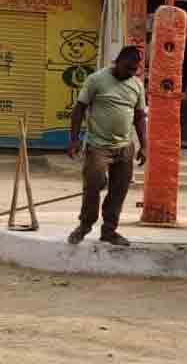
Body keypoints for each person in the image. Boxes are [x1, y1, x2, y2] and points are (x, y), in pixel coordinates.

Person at [69, 46, 147, 247]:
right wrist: (74, 139)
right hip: (98, 146)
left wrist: (144, 145)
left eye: (134, 69)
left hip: (125, 146)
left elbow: (139, 117)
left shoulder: (137, 85)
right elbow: (79, 109)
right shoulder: (96, 80)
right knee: (93, 184)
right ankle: (85, 225)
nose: (131, 73)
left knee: (119, 190)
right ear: (117, 61)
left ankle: (109, 231)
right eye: (128, 68)